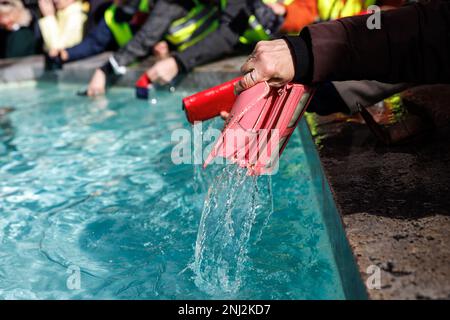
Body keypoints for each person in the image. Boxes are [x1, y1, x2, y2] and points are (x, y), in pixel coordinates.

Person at [234, 0, 450, 94]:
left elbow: (397, 23)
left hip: (361, 65)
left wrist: (309, 51)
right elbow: (304, 10)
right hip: (333, 60)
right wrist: (283, 14)